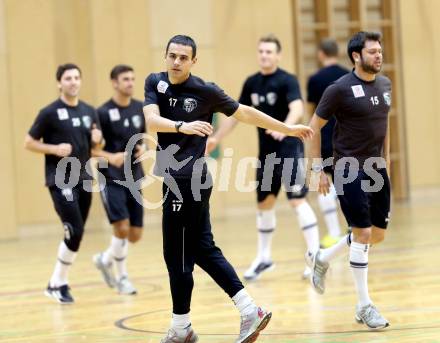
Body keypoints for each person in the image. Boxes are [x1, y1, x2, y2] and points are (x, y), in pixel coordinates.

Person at [143, 35, 313, 343]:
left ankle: (182, 327)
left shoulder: (205, 91)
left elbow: (244, 113)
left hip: (190, 181)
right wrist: (183, 126)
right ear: (166, 56)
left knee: (178, 252)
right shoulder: (155, 82)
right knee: (200, 249)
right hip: (173, 179)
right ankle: (247, 311)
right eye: (173, 56)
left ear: (194, 61)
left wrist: (287, 128)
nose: (177, 62)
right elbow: (151, 121)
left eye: (184, 57)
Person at [207, 34, 320, 280]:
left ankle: (315, 258)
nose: (264, 55)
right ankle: (264, 258)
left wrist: (286, 128)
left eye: (269, 51)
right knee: (264, 204)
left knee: (297, 200)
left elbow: (297, 108)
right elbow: (238, 114)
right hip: (266, 154)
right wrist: (216, 138)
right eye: (261, 51)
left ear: (278, 55)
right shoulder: (252, 83)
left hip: (289, 150)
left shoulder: (287, 80)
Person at [308, 31, 391, 330]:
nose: (378, 55)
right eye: (372, 52)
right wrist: (317, 170)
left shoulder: (385, 84)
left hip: (376, 168)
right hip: (347, 168)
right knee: (364, 234)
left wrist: (387, 160)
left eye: (380, 50)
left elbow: (384, 124)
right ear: (356, 56)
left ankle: (323, 257)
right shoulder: (338, 89)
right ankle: (363, 306)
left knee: (376, 234)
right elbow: (313, 128)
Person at [24, 63, 103, 304]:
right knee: (74, 229)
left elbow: (96, 148)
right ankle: (59, 282)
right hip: (60, 180)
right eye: (68, 78)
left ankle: (55, 284)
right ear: (60, 83)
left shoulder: (90, 111)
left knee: (77, 235)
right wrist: (53, 149)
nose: (73, 82)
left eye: (77, 77)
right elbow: (29, 142)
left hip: (84, 179)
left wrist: (98, 141)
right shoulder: (49, 112)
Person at [92, 65, 146, 295]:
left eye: (133, 79)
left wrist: (143, 147)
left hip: (134, 176)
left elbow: (142, 139)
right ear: (114, 82)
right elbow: (91, 150)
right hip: (110, 177)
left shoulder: (139, 108)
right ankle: (123, 277)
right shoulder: (102, 113)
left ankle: (105, 259)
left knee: (135, 235)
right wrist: (110, 156)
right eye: (125, 79)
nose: (130, 83)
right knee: (121, 228)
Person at [306, 38, 349, 248]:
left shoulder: (315, 79)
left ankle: (333, 232)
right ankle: (352, 225)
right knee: (345, 182)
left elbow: (312, 113)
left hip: (323, 137)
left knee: (322, 182)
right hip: (346, 138)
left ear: (321, 54)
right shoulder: (348, 76)